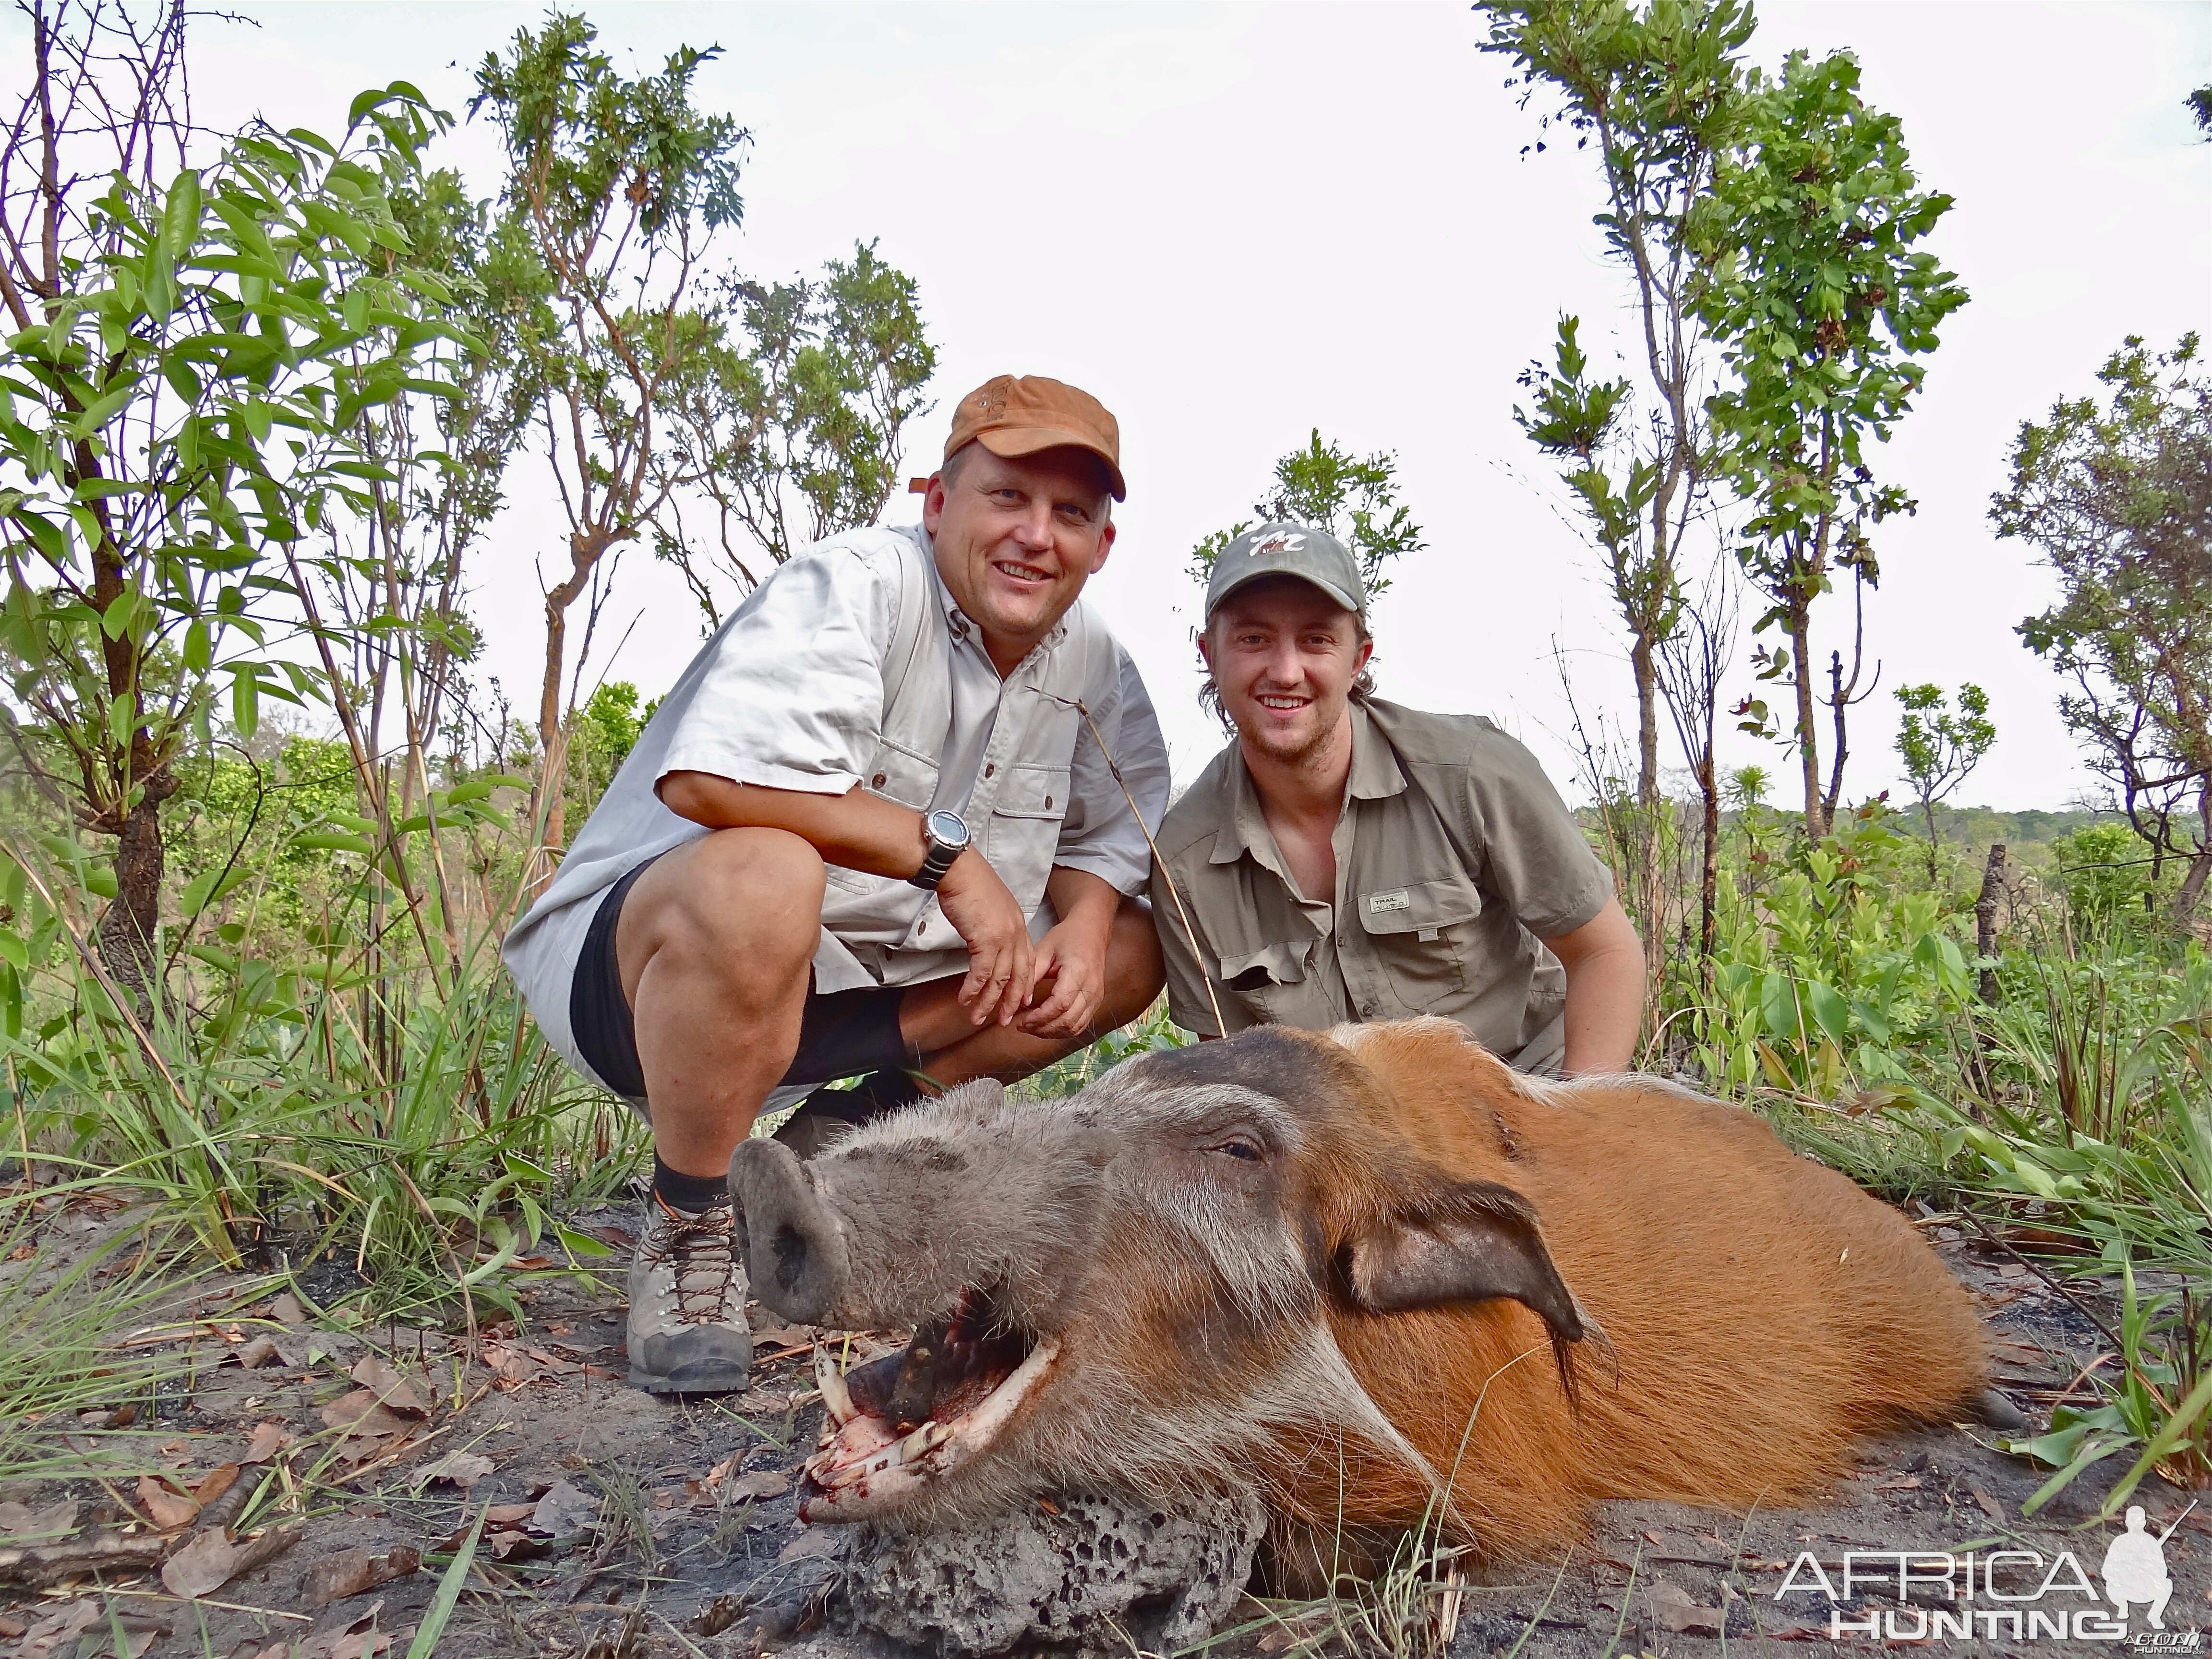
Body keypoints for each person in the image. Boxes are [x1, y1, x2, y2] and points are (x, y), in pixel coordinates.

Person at [503, 374, 1170, 1394]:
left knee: (1126, 949)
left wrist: (1079, 928)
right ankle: (692, 1226)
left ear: (1101, 545)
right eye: (1006, 497)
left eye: (1070, 514)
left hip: (875, 1000)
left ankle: (850, 1144)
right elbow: (711, 779)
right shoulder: (860, 582)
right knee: (765, 871)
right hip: (652, 990)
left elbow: (1114, 846)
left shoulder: (1097, 664)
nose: (1037, 535)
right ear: (937, 501)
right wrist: (948, 858)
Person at [1149, 522, 1644, 1075]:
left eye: (1317, 639)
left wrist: (1574, 1131)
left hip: (1530, 1098)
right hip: (1342, 1144)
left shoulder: (1472, 774)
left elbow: (1605, 954)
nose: (1286, 672)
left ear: (1358, 658)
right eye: (1253, 639)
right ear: (1209, 654)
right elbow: (1230, 1068)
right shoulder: (1183, 861)